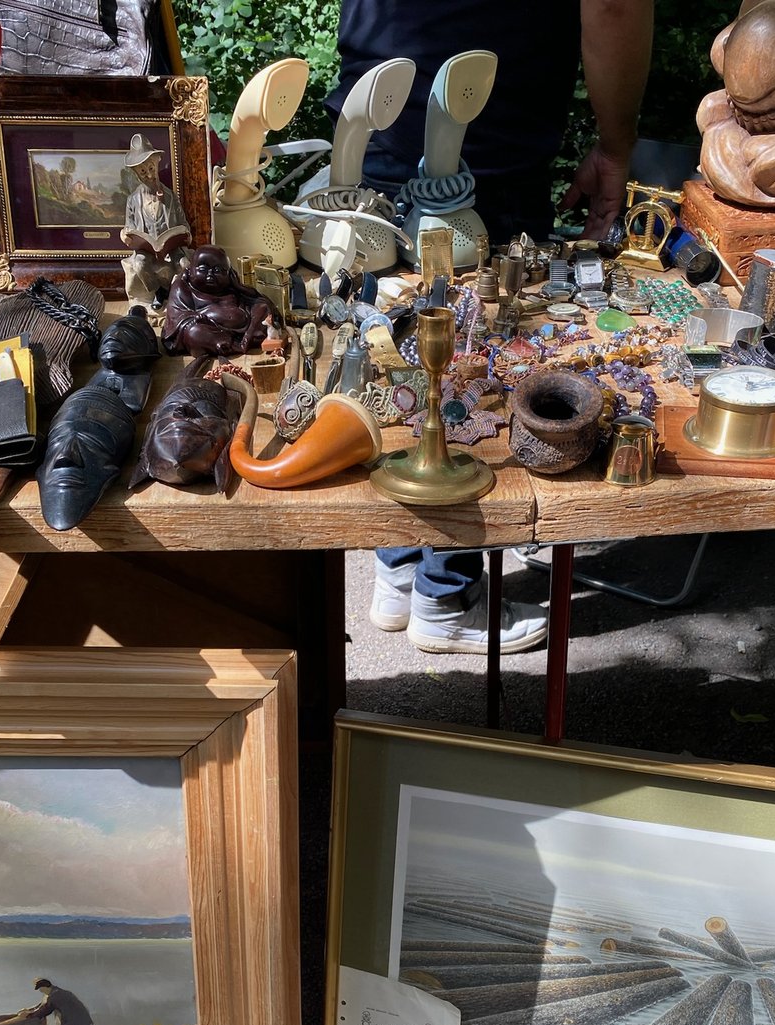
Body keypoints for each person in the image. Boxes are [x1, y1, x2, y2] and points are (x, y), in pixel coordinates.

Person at [330, 1, 654, 652]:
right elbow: (614, 6)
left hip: (377, 114)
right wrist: (615, 145)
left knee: (400, 346)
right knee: (461, 364)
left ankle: (400, 572)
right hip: (487, 143)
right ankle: (444, 596)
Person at [119, 133, 192, 308]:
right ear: (136, 173)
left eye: (151, 168)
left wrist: (186, 234)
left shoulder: (170, 196)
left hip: (171, 247)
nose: (149, 175)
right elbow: (128, 226)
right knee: (139, 263)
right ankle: (158, 291)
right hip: (148, 249)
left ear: (158, 161)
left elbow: (183, 222)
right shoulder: (133, 200)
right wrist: (125, 235)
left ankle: (179, 294)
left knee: (184, 264)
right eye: (143, 172)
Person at [163, 244, 274, 357]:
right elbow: (176, 318)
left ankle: (248, 338)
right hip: (207, 331)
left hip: (243, 331)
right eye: (203, 269)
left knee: (263, 308)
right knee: (194, 332)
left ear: (229, 273)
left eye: (218, 270)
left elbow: (260, 302)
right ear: (189, 270)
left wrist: (240, 288)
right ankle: (227, 345)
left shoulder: (231, 288)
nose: (210, 275)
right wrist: (199, 318)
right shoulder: (182, 287)